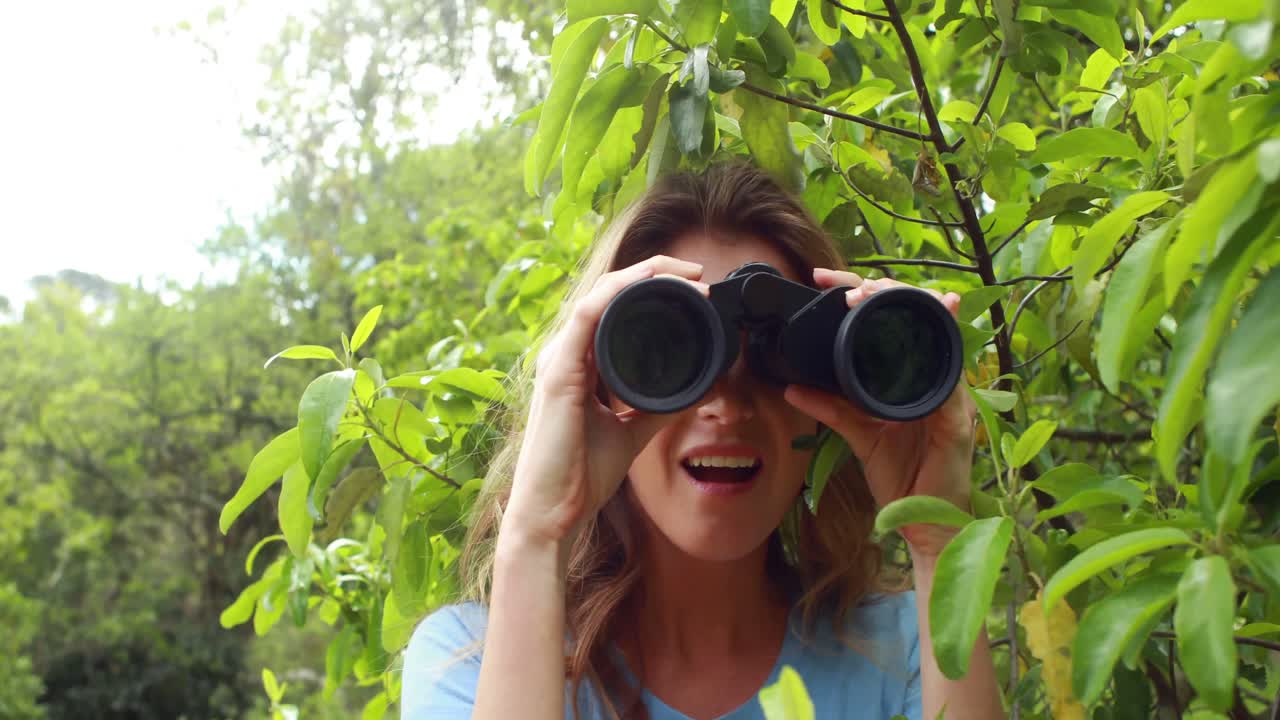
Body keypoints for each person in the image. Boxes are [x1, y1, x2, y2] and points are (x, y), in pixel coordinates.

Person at [401, 161, 1005, 720]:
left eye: (774, 365)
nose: (727, 407)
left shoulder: (905, 648)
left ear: (829, 403)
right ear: (600, 384)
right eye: (676, 360)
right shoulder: (470, 664)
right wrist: (537, 535)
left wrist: (940, 539)